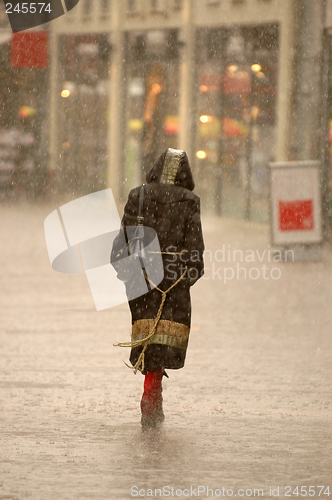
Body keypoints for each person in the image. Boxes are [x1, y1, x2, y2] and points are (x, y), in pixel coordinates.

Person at [111, 148, 204, 429]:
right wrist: (179, 279)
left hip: (141, 280)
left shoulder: (137, 196)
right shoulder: (189, 202)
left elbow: (119, 247)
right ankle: (153, 395)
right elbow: (195, 253)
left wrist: (134, 276)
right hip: (174, 285)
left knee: (149, 339)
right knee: (165, 339)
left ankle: (151, 393)